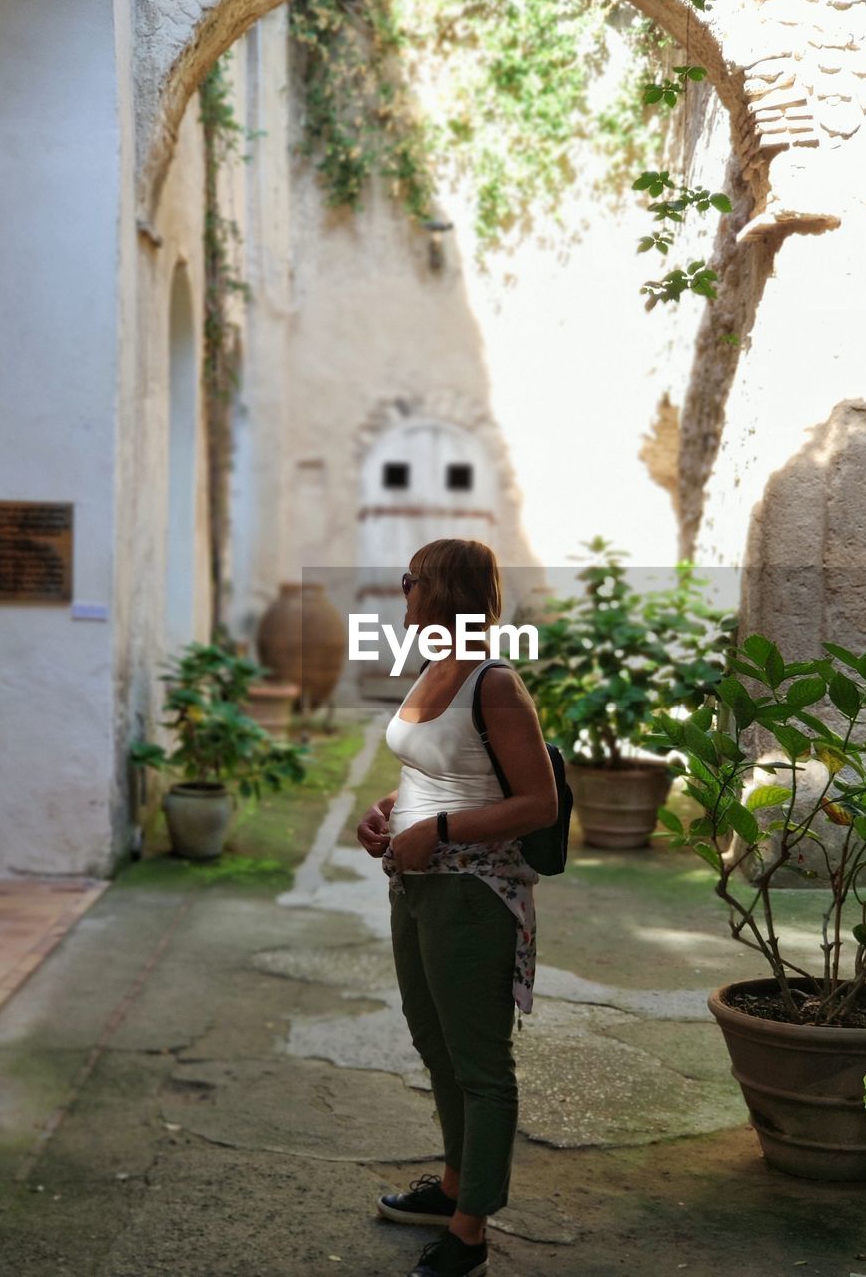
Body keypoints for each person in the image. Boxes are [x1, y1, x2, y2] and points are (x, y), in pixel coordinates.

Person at [356, 538, 557, 1277]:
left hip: (475, 895)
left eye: (410, 579)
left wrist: (436, 831)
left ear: (442, 592)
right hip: (416, 887)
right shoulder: (433, 668)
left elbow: (539, 803)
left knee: (479, 1063)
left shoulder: (495, 684)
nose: (401, 591)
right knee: (434, 1044)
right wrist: (386, 812)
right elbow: (435, 771)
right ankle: (451, 1186)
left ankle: (470, 1230)